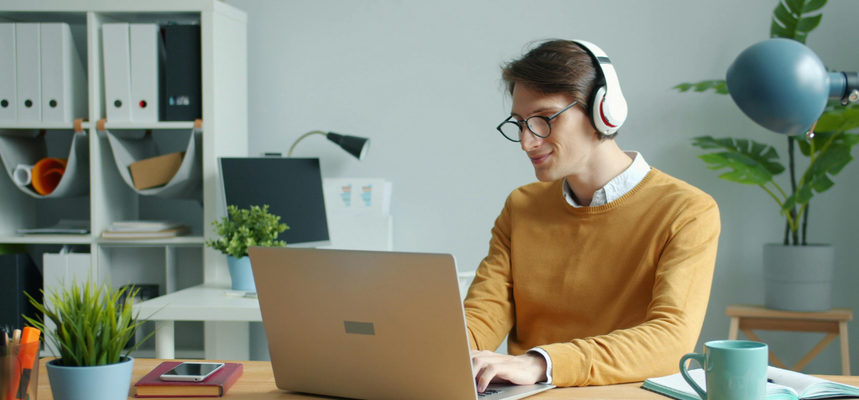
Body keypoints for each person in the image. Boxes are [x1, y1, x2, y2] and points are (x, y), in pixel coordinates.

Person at [464, 39, 721, 391]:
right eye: (521, 122)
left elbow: (671, 339)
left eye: (542, 119)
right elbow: (483, 314)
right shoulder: (521, 206)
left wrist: (541, 363)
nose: (527, 141)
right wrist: (443, 347)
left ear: (603, 111)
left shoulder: (686, 210)